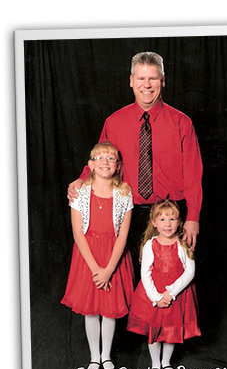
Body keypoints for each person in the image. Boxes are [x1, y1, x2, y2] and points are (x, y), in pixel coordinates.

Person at [67, 52, 203, 255]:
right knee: (128, 281)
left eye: (153, 79)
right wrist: (81, 179)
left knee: (168, 282)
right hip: (126, 213)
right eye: (141, 78)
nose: (146, 85)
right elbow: (100, 161)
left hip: (169, 213)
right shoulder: (113, 122)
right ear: (131, 81)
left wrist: (193, 217)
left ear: (162, 81)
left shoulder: (181, 123)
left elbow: (193, 174)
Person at [61, 142, 134, 369]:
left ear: (118, 166)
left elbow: (123, 236)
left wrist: (109, 269)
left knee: (109, 309)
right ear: (90, 165)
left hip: (113, 256)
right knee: (91, 310)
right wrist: (96, 269)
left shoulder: (124, 193)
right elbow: (77, 233)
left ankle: (106, 356)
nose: (105, 162)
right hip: (88, 257)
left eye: (111, 159)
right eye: (100, 158)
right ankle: (94, 357)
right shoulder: (80, 192)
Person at [127, 199, 201, 369]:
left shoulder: (182, 244)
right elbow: (145, 273)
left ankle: (166, 363)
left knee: (171, 330)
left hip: (177, 294)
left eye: (172, 219)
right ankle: (155, 365)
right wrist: (156, 298)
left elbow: (189, 272)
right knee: (155, 330)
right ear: (154, 222)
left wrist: (170, 293)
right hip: (154, 294)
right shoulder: (151, 245)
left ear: (179, 222)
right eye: (162, 220)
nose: (167, 224)